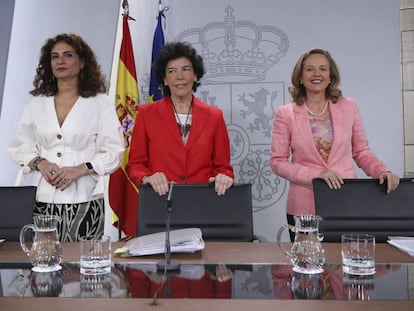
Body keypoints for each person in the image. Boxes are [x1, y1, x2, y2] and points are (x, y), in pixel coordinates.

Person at [7, 33, 125, 242]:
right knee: (42, 264)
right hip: (41, 199)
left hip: (84, 200)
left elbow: (114, 150)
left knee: (79, 268)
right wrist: (39, 163)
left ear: (82, 63)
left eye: (68, 55)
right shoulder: (36, 102)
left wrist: (81, 169)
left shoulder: (100, 102)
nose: (60, 61)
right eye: (55, 56)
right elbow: (20, 145)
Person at [269, 48, 400, 235]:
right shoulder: (285, 113)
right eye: (310, 69)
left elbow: (361, 151)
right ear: (300, 76)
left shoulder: (349, 107)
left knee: (345, 261)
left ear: (331, 76)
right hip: (304, 208)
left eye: (323, 69)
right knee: (307, 263)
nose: (317, 74)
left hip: (345, 202)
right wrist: (317, 174)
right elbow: (277, 162)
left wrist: (381, 171)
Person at [126, 41, 234, 195]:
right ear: (164, 79)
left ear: (195, 75)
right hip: (161, 201)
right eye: (172, 71)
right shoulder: (146, 114)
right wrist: (147, 177)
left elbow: (223, 167)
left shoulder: (214, 116)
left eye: (186, 69)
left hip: (203, 202)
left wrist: (224, 177)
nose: (179, 77)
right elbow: (135, 165)